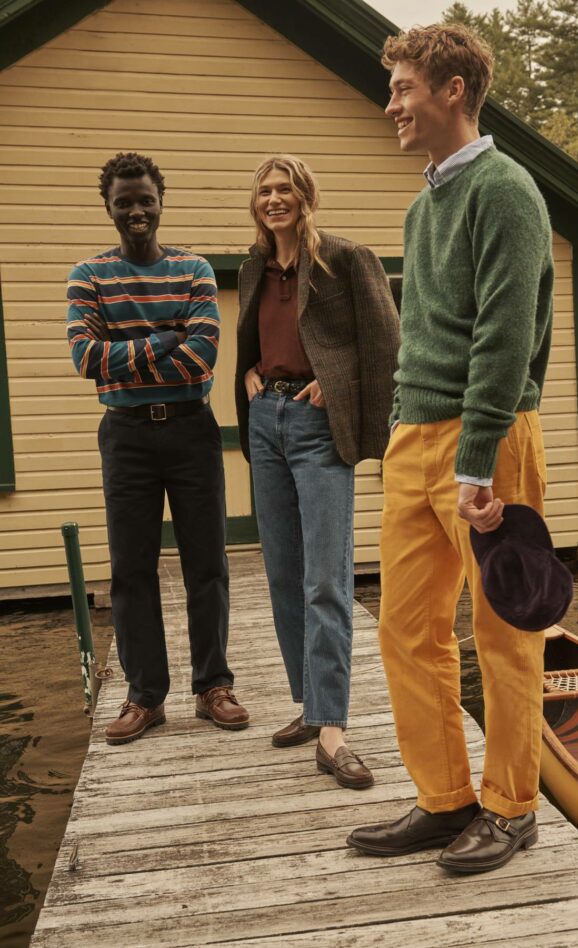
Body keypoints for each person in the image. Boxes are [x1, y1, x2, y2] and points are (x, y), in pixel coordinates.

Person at [347, 24, 555, 872]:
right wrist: (401, 422)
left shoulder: (506, 191)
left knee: (506, 630)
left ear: (453, 91)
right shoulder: (423, 201)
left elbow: (505, 340)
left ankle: (512, 807)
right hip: (414, 438)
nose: (391, 102)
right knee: (406, 628)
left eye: (402, 87)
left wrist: (474, 460)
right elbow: (423, 333)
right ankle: (444, 798)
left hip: (490, 441)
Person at [66, 152, 249, 745]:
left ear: (160, 201)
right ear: (109, 207)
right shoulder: (88, 276)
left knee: (207, 563)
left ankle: (212, 686)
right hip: (126, 436)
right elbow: (85, 360)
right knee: (131, 570)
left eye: (146, 199)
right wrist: (166, 336)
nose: (136, 210)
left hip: (192, 429)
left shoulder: (195, 270)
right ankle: (146, 697)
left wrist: (130, 346)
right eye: (125, 201)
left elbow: (203, 358)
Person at [235, 155, 399, 788]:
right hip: (265, 420)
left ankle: (333, 732)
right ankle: (310, 706)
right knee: (282, 574)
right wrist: (249, 371)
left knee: (326, 579)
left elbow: (386, 342)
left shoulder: (345, 258)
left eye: (285, 190)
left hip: (315, 425)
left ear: (306, 198)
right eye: (265, 191)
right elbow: (254, 335)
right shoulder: (253, 267)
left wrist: (339, 385)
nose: (274, 199)